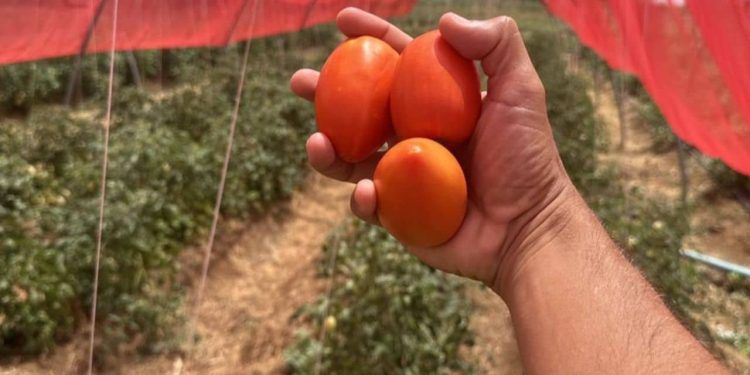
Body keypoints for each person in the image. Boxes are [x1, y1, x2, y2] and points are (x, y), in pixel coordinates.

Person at [290, 8, 727, 374]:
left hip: (432, 184)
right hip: (429, 184)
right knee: (356, 152)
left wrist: (532, 224)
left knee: (357, 154)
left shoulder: (421, 139)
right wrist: (532, 231)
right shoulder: (418, 142)